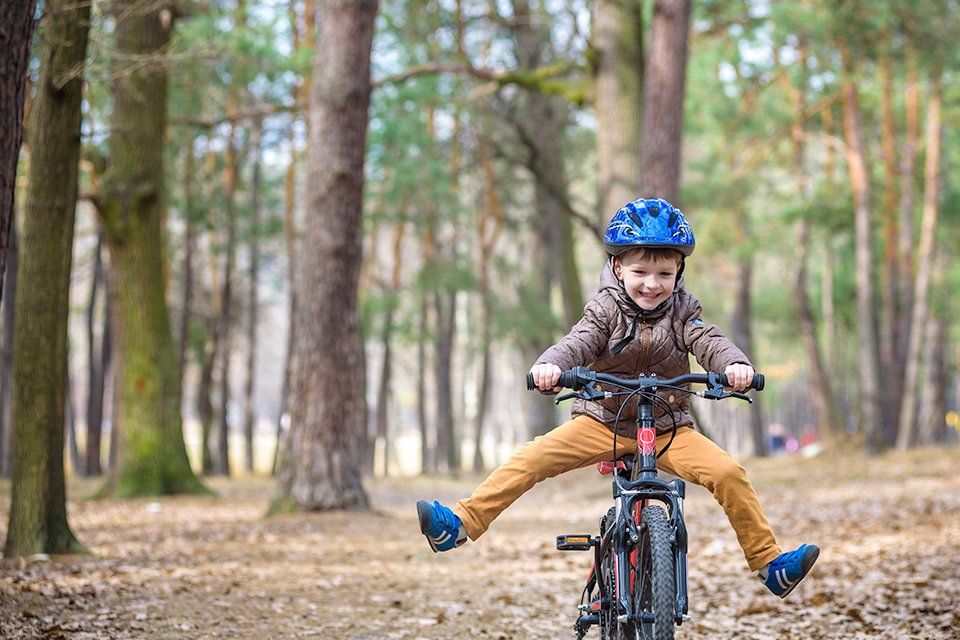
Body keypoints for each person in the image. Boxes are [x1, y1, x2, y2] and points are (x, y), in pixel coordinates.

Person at [416, 198, 819, 598]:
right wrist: (550, 367)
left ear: (679, 271)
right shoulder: (604, 309)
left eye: (664, 272)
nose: (652, 283)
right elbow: (579, 342)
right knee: (532, 459)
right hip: (601, 422)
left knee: (729, 473)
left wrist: (735, 366)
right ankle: (460, 524)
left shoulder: (683, 311)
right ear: (617, 267)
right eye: (640, 271)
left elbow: (709, 341)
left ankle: (769, 564)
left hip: (667, 428)